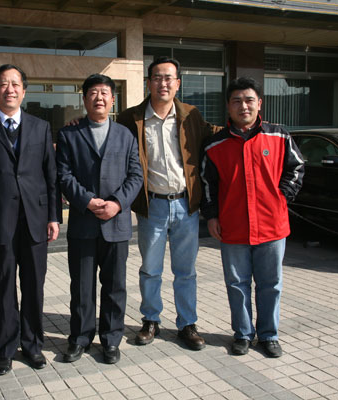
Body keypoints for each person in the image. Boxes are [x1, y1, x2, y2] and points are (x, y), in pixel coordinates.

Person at [0, 64, 59, 375]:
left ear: (24, 91)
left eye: (15, 84)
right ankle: (4, 349)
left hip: (35, 221)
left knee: (34, 286)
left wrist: (54, 216)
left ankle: (32, 345)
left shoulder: (40, 127)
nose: (10, 89)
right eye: (3, 84)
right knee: (3, 286)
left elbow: (51, 175)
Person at [117, 57, 219, 350]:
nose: (163, 83)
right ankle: (151, 320)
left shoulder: (191, 115)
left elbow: (215, 134)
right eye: (157, 77)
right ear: (149, 82)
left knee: (186, 271)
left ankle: (187, 324)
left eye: (169, 78)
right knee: (150, 269)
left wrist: (249, 127)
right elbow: (110, 139)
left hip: (186, 206)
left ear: (178, 83)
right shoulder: (131, 118)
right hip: (153, 206)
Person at [200, 77, 304, 357]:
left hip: (272, 225)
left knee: (271, 284)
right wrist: (211, 216)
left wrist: (282, 197)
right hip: (232, 226)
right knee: (237, 284)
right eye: (237, 101)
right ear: (228, 106)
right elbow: (208, 184)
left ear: (259, 103)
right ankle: (243, 334)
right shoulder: (214, 145)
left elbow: (296, 168)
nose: (243, 106)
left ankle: (269, 335)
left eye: (248, 100)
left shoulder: (279, 136)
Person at [56, 74, 143, 364]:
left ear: (113, 100)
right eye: (93, 93)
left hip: (116, 224)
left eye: (105, 93)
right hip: (83, 222)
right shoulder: (69, 134)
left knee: (115, 286)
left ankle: (111, 339)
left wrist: (117, 203)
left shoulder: (125, 135)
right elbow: (64, 174)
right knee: (81, 287)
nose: (99, 98)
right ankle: (80, 338)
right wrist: (87, 200)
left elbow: (136, 175)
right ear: (84, 99)